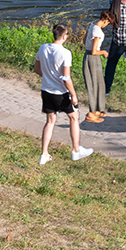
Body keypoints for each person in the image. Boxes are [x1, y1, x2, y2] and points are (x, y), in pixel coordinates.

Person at [34, 23, 91, 165]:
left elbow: (36, 69)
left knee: (50, 121)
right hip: (60, 93)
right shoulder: (66, 53)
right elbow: (66, 78)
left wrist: (47, 77)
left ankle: (44, 154)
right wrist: (74, 95)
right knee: (74, 117)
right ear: (64, 36)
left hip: (46, 90)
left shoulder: (43, 48)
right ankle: (76, 151)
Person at [82, 7, 114, 123]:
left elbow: (85, 40)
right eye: (108, 23)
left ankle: (97, 110)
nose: (107, 25)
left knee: (98, 83)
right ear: (105, 20)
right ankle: (92, 113)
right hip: (93, 59)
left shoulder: (91, 25)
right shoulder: (98, 32)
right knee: (94, 85)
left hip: (88, 56)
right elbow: (95, 51)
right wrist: (104, 52)